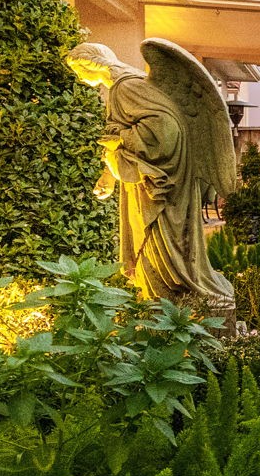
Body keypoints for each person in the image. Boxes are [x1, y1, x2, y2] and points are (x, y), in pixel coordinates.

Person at [67, 41, 234, 306]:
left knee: (163, 243)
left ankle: (169, 296)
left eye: (78, 69)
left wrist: (122, 138)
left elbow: (166, 130)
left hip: (160, 183)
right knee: (160, 243)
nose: (78, 76)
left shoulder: (126, 87)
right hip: (151, 179)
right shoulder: (124, 86)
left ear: (91, 63)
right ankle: (165, 291)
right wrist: (109, 174)